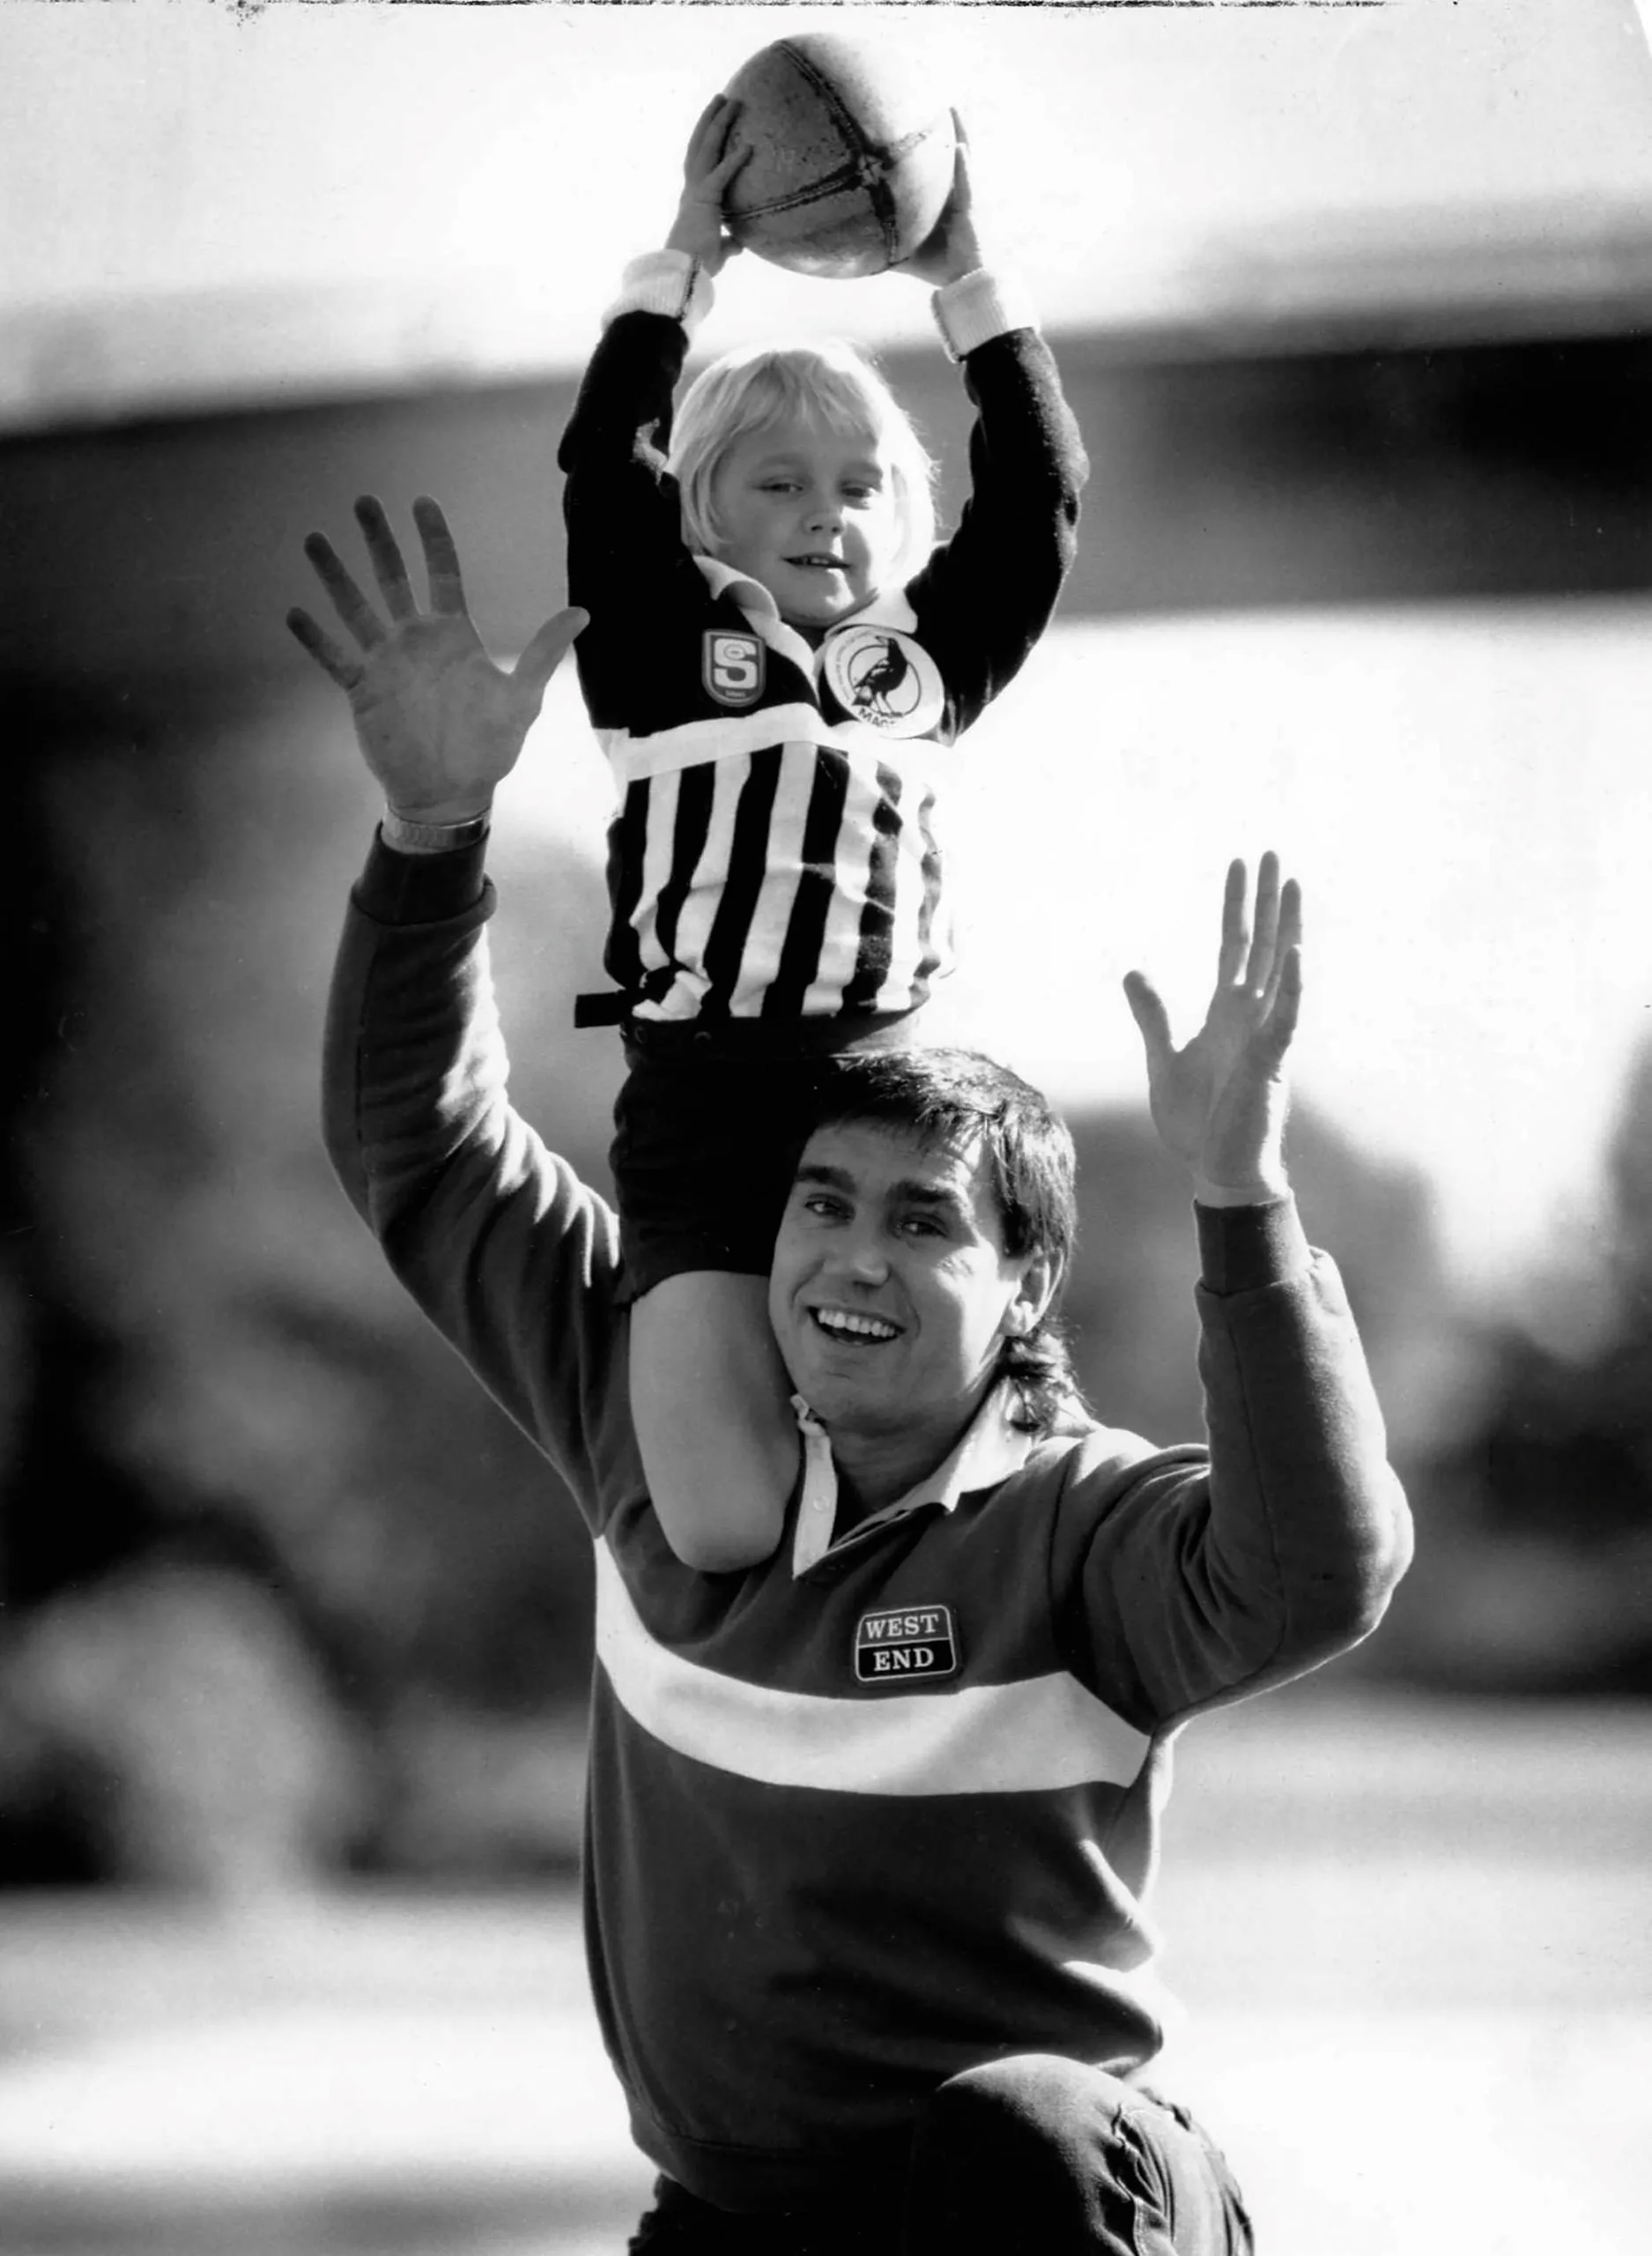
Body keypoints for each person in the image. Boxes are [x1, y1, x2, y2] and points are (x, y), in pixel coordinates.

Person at [292, 505, 1413, 2254]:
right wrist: (433, 836)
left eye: (920, 1222)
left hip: (1052, 2210)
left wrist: (1240, 1200)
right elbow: (419, 1152)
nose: (851, 1259)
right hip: (739, 2217)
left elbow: (1317, 1571)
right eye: (819, 1205)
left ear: (1024, 1279)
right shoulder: (657, 1408)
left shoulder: (1074, 1524)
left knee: (1012, 2147)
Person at [550, 93, 1089, 1575]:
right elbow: (605, 462)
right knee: (723, 1526)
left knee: (937, 1434)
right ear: (705, 514)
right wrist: (681, 259)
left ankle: (969, 1545)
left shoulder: (916, 670)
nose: (825, 516)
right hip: (704, 1102)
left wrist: (970, 280)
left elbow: (1040, 503)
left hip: (880, 1095)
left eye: (857, 487)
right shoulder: (657, 646)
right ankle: (745, 1501)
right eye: (776, 483)